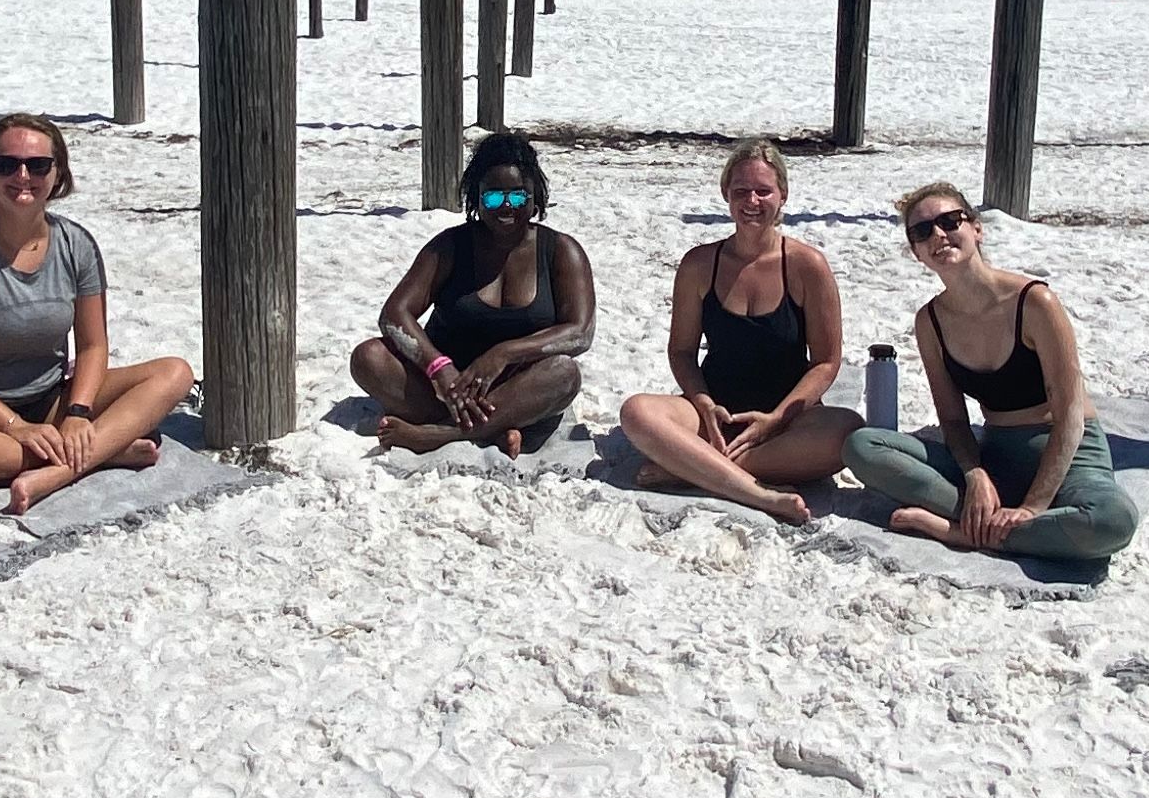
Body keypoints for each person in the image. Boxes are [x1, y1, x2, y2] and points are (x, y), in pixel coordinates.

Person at [0, 115, 200, 511]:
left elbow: (93, 346)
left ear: (57, 173)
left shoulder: (76, 245)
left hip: (51, 399)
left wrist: (78, 413)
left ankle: (63, 468)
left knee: (174, 373)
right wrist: (16, 427)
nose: (22, 176)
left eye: (38, 165)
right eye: (6, 164)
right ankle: (103, 451)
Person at [844, 185, 1139, 569]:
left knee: (1114, 522)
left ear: (977, 229)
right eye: (922, 231)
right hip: (996, 455)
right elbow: (952, 420)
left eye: (950, 221)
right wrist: (976, 474)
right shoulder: (930, 321)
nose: (938, 235)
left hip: (1070, 458)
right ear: (916, 253)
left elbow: (1069, 417)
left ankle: (964, 531)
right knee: (862, 446)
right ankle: (988, 518)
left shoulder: (1034, 302)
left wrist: (1033, 507)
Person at [613, 140, 859, 523]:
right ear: (726, 194)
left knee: (848, 431)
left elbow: (826, 362)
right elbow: (681, 351)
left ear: (783, 195)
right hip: (713, 413)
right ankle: (757, 492)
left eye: (764, 191)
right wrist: (703, 402)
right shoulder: (699, 264)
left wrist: (776, 418)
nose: (753, 201)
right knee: (636, 412)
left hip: (785, 421)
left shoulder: (806, 265)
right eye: (741, 191)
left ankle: (694, 469)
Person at [353, 132, 597, 453]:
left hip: (517, 388)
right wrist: (439, 369)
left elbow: (579, 334)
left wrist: (503, 354)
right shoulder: (450, 247)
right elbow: (394, 315)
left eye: (518, 196)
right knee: (368, 357)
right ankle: (488, 430)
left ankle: (440, 434)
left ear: (535, 196)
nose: (506, 207)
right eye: (494, 198)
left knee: (564, 374)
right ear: (476, 199)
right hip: (445, 388)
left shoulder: (561, 251)